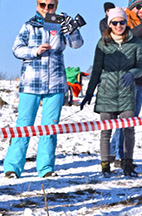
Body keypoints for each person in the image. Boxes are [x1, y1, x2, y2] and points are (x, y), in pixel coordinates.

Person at [3, 0, 84, 179]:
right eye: (42, 5)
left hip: (55, 83)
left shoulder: (61, 23)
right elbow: (16, 49)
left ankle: (46, 168)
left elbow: (77, 44)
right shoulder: (29, 26)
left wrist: (72, 28)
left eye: (50, 5)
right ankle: (12, 167)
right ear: (37, 5)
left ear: (56, 6)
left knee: (50, 127)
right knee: (24, 124)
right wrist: (35, 50)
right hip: (31, 83)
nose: (46, 9)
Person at [80, 7, 142, 176]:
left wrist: (132, 73)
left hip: (126, 92)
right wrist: (89, 93)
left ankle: (128, 163)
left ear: (126, 23)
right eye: (115, 23)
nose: (118, 25)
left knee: (128, 128)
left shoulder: (136, 42)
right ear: (110, 24)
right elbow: (96, 70)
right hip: (106, 92)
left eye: (122, 22)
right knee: (106, 130)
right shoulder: (103, 43)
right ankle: (105, 164)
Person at [109, 0, 142, 170]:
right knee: (124, 120)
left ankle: (117, 152)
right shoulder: (122, 20)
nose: (141, 10)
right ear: (131, 7)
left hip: (140, 79)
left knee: (130, 121)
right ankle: (119, 155)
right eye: (138, 7)